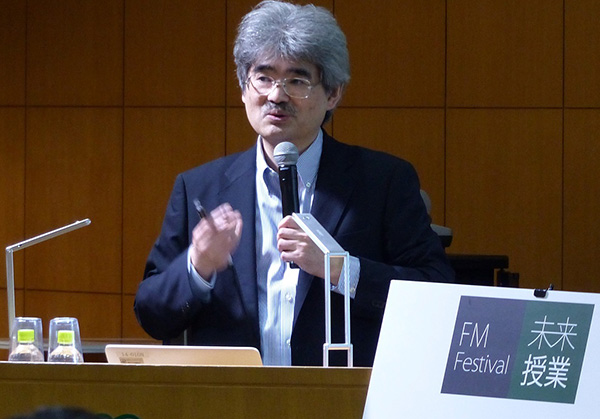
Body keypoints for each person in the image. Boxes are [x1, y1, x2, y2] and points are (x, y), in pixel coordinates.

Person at [134, 0, 454, 367]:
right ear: (243, 88)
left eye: (297, 81)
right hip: (235, 394)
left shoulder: (383, 181)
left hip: (339, 392)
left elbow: (436, 291)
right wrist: (197, 266)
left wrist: (340, 269)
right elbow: (151, 313)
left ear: (333, 94)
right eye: (263, 78)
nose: (276, 95)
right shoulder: (198, 187)